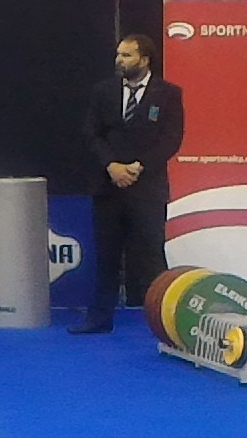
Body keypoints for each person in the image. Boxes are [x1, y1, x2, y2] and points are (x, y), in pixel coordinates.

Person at [75, 33, 185, 335]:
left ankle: (167, 322)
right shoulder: (103, 91)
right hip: (108, 187)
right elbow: (91, 133)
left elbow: (172, 139)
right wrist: (112, 165)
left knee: (151, 254)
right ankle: (99, 318)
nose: (119, 60)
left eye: (126, 55)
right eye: (118, 54)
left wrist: (139, 167)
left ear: (144, 60)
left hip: (147, 188)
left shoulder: (168, 94)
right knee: (106, 255)